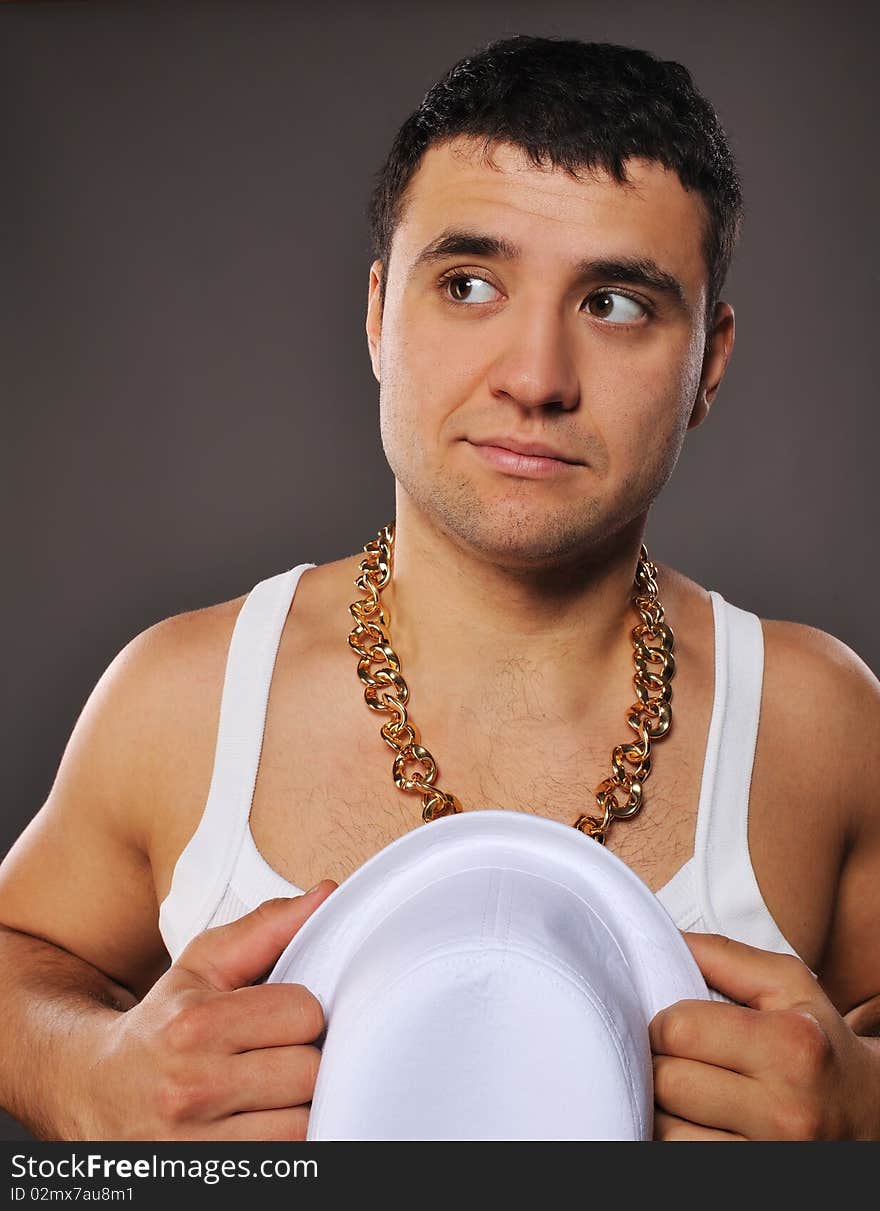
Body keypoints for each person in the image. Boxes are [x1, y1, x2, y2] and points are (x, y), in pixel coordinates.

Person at [0, 33, 878, 1142]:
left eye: (615, 303)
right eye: (469, 284)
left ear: (707, 361)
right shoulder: (185, 694)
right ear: (378, 314)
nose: (535, 377)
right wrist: (85, 1069)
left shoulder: (816, 716)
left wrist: (865, 1105)